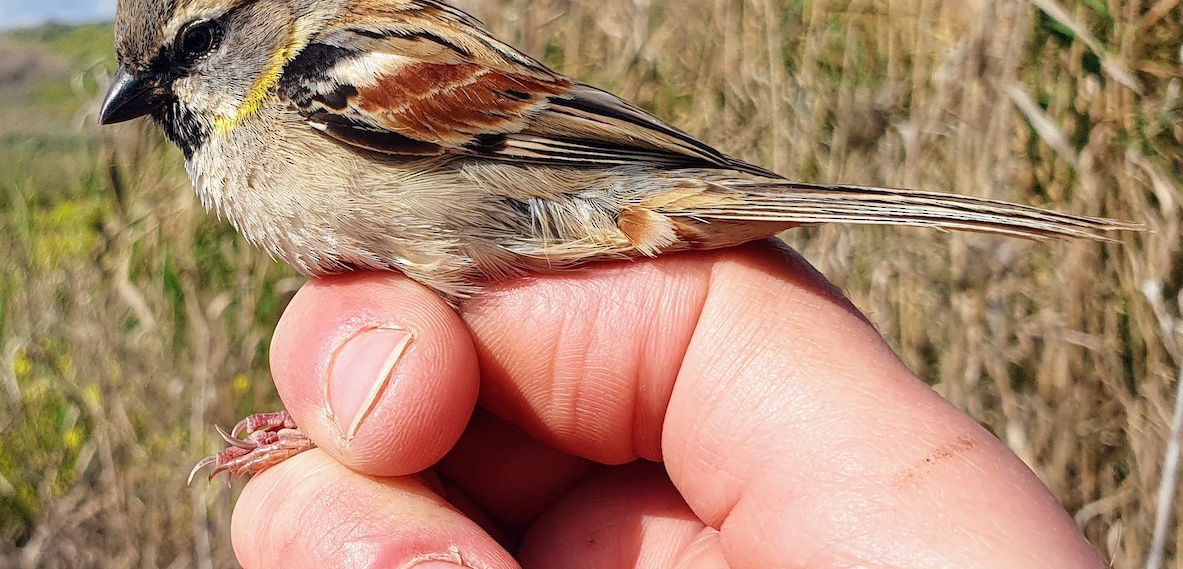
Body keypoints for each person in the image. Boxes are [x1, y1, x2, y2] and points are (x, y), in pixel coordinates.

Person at [229, 241, 1105, 568]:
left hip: (568, 201)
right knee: (384, 402)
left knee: (392, 386)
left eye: (195, 49)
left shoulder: (332, 77)